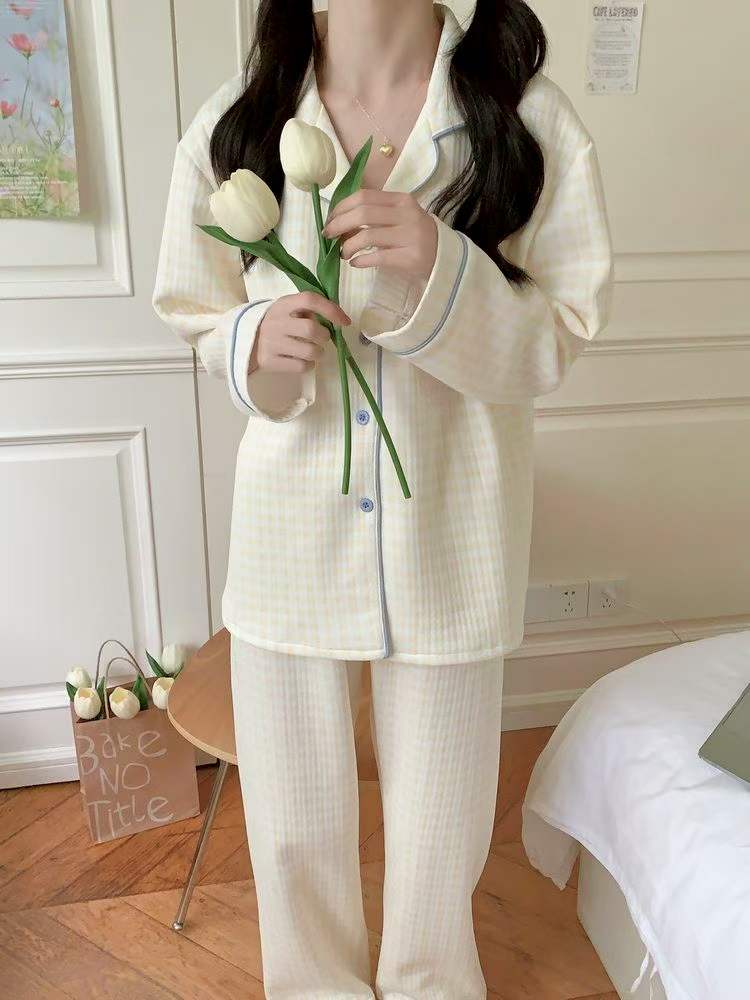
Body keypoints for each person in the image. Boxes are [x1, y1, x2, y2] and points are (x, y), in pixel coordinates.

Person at [152, 0, 613, 995]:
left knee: (442, 832)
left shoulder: (524, 119)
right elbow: (194, 304)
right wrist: (253, 343)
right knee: (292, 829)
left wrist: (443, 271)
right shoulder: (239, 120)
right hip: (289, 537)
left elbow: (559, 332)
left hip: (453, 532)